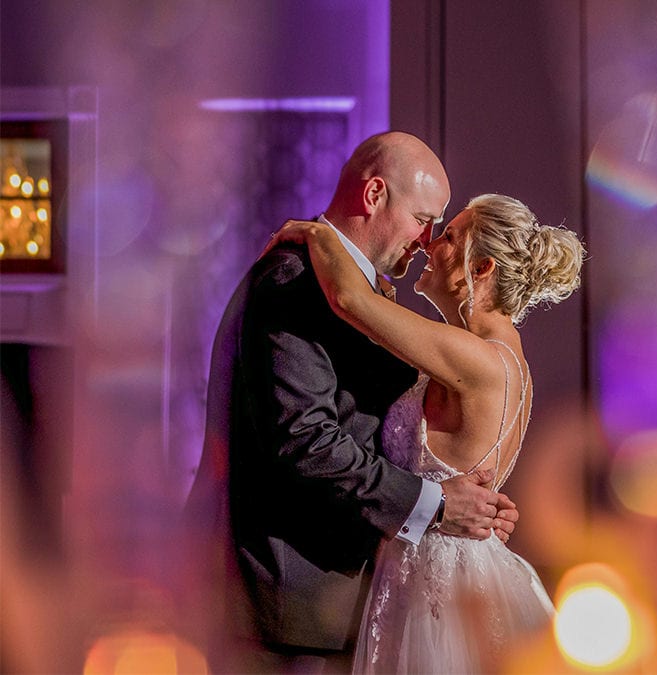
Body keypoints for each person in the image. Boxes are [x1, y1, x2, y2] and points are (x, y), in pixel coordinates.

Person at [184, 132, 518, 673]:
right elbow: (307, 439)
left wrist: (472, 499)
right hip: (285, 602)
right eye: (422, 219)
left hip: (339, 600)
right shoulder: (293, 281)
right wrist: (436, 504)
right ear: (374, 196)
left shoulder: (358, 291)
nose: (427, 240)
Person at [265, 192, 584, 673]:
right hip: (443, 559)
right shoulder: (500, 357)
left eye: (450, 236)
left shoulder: (477, 358)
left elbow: (350, 299)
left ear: (480, 270)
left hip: (435, 581)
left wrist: (317, 232)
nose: (429, 242)